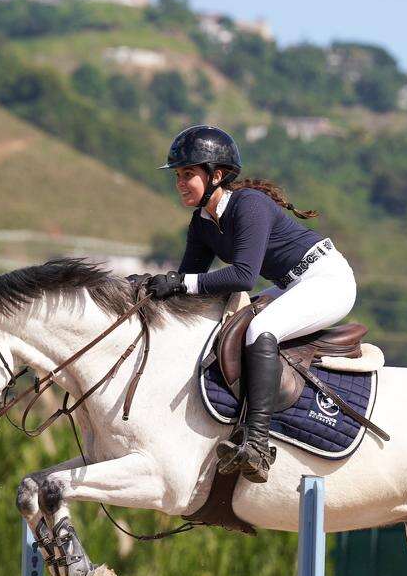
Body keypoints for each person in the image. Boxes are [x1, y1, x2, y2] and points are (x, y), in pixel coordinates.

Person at [142, 124, 357, 483]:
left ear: (217, 175)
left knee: (261, 328)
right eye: (178, 175)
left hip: (328, 280)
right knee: (234, 323)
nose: (180, 182)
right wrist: (153, 291)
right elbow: (189, 284)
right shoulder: (203, 223)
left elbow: (242, 277)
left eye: (189, 174)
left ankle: (257, 445)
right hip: (291, 285)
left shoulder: (249, 205)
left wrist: (181, 283)